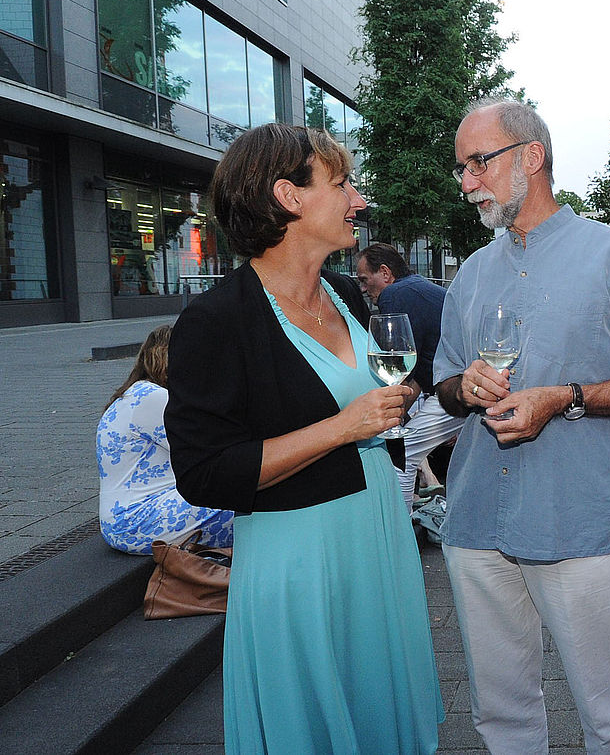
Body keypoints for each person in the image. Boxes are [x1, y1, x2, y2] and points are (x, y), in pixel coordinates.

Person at [165, 124, 444, 753]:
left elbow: (367, 397)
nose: (358, 199)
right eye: (342, 183)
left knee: (376, 707)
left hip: (376, 533)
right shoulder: (216, 322)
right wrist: (345, 427)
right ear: (289, 196)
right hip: (301, 558)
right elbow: (205, 472)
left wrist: (397, 404)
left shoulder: (346, 295)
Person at [434, 98, 610, 753]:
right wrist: (463, 387)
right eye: (460, 168)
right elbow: (445, 381)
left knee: (606, 713)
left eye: (478, 162)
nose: (466, 182)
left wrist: (565, 398)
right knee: (500, 711)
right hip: (478, 518)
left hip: (576, 521)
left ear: (532, 157)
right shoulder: (471, 273)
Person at [96, 324, 234, 554]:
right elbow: (211, 448)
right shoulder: (152, 398)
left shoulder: (137, 393)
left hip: (129, 517)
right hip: (135, 521)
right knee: (253, 505)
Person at [355, 241, 463, 526]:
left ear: (385, 273)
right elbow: (417, 371)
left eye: (365, 280)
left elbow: (401, 367)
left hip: (458, 388)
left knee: (402, 453)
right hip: (460, 385)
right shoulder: (417, 287)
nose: (364, 290)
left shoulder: (395, 294)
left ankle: (400, 533)